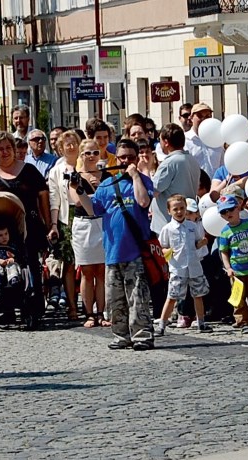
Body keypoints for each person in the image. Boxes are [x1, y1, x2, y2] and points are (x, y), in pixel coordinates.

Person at [70, 139, 155, 351]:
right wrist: (79, 190)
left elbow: (144, 202)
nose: (126, 161)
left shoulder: (143, 180)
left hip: (135, 251)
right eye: (122, 157)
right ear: (115, 159)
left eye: (130, 157)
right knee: (115, 299)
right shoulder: (107, 185)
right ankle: (121, 335)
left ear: (137, 158)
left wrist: (135, 175)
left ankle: (142, 335)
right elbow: (92, 210)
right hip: (112, 252)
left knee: (138, 298)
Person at [0, 131, 51, 323]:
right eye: (0, 149)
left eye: (8, 148)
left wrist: (49, 224)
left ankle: (33, 306)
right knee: (0, 264)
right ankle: (3, 307)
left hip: (27, 225)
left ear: (15, 150)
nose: (5, 152)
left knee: (31, 265)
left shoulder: (29, 170)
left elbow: (43, 197)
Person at [156, 194, 211, 336]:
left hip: (194, 266)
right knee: (172, 296)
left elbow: (197, 243)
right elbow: (161, 247)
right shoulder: (167, 229)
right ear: (169, 211)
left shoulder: (192, 226)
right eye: (175, 209)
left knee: (198, 295)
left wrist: (202, 243)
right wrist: (166, 251)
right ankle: (162, 324)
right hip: (178, 269)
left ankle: (201, 322)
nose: (179, 212)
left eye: (182, 208)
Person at [69, 139, 111, 328]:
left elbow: (110, 199)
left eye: (95, 152)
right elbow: (77, 201)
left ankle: (101, 312)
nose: (92, 156)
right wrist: (90, 188)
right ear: (81, 155)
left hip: (102, 223)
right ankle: (88, 313)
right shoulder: (74, 177)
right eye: (88, 153)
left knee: (102, 271)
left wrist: (99, 186)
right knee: (87, 271)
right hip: (84, 225)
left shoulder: (108, 175)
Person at [218, 194, 248, 334]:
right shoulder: (225, 232)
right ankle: (243, 322)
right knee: (238, 299)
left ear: (238, 208)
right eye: (223, 212)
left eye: (231, 209)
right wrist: (228, 268)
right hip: (236, 271)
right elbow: (224, 252)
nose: (228, 214)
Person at [48, 130, 82, 321]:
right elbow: (54, 200)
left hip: (85, 214)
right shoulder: (56, 171)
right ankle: (71, 305)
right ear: (60, 148)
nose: (71, 147)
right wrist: (54, 225)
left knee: (88, 264)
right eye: (66, 144)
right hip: (65, 217)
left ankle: (91, 304)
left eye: (74, 143)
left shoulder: (85, 165)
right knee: (68, 264)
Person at [151, 123, 200, 234]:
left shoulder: (169, 163)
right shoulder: (192, 160)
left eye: (160, 140)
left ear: (166, 142)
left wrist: (144, 170)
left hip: (168, 226)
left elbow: (153, 190)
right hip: (184, 223)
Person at [185, 102, 224, 178]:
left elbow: (222, 166)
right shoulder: (185, 140)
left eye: (207, 116)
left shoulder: (218, 141)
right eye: (199, 116)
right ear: (191, 118)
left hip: (216, 187)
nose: (203, 119)